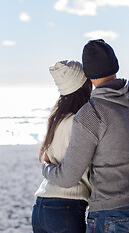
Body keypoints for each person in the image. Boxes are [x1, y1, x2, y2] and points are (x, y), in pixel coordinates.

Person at [41, 39, 129, 233]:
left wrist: (46, 167)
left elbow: (68, 177)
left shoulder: (90, 114)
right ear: (115, 64)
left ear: (88, 74)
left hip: (110, 212)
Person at [32, 60, 92, 233]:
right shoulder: (79, 122)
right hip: (66, 207)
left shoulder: (57, 118)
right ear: (83, 85)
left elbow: (46, 159)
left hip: (41, 205)